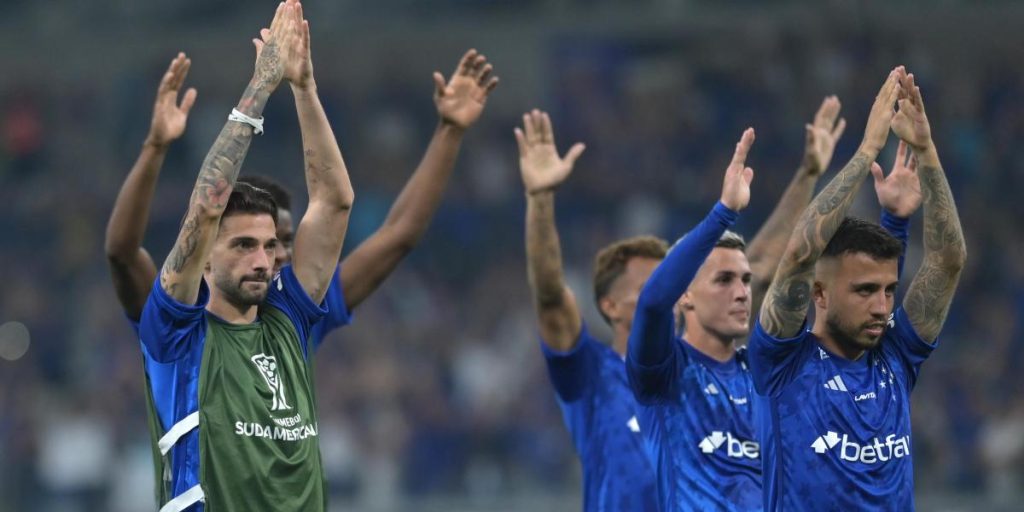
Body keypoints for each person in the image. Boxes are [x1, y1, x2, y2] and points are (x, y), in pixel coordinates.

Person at [626, 96, 921, 510]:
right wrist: (723, 213)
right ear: (685, 296)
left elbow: (770, 266)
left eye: (745, 282)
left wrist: (809, 173)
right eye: (725, 281)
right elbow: (654, 304)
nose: (743, 291)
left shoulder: (766, 371)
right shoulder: (665, 373)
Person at [138, 2, 354, 510]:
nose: (263, 260)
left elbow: (334, 202)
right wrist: (261, 87)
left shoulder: (287, 320)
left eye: (269, 245)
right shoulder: (176, 337)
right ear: (204, 260)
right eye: (242, 245)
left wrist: (303, 88)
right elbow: (207, 204)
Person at [750, 68, 966, 510]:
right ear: (820, 294)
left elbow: (947, 262)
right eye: (865, 291)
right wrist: (867, 149)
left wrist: (925, 151)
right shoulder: (782, 363)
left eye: (888, 291)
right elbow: (798, 255)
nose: (881, 306)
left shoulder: (895, 357)